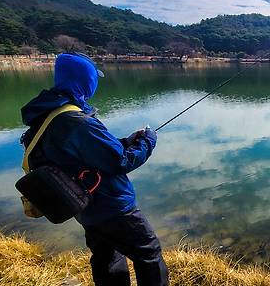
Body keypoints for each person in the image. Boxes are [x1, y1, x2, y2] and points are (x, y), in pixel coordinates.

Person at [20, 53, 169, 286]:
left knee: (107, 257)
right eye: (93, 78)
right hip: (112, 205)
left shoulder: (50, 114)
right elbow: (120, 162)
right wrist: (148, 140)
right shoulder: (76, 121)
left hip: (84, 205)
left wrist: (126, 141)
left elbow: (82, 154)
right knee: (149, 255)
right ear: (84, 80)